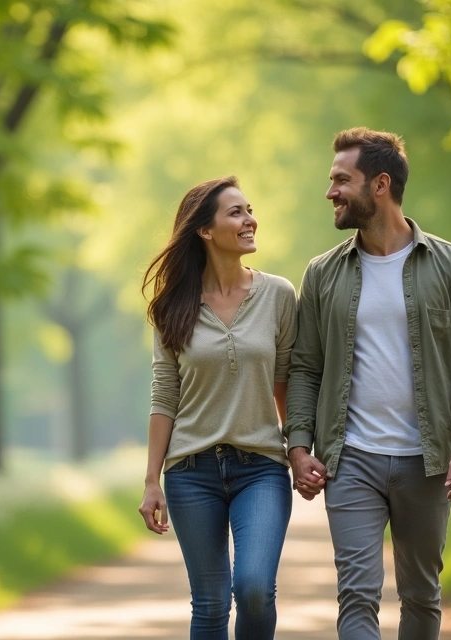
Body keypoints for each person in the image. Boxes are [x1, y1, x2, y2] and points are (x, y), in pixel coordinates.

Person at [284, 127, 451, 640]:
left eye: (342, 180)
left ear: (380, 185)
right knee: (357, 594)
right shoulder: (322, 274)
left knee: (421, 595)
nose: (330, 192)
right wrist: (298, 445)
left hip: (428, 460)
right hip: (350, 458)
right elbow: (305, 367)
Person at [138, 176, 297, 640]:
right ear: (205, 230)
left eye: (250, 210)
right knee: (209, 605)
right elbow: (164, 395)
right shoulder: (172, 307)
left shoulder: (279, 295)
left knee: (254, 589)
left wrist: (300, 449)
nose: (250, 220)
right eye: (236, 212)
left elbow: (287, 382)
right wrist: (151, 480)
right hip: (191, 472)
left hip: (261, 468)